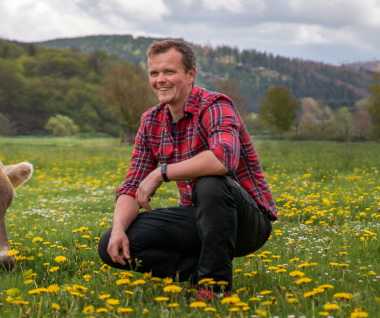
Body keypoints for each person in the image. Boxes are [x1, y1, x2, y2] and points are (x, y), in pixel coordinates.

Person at [97, 40, 277, 301]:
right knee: (111, 245)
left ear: (191, 74)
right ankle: (201, 272)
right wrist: (117, 230)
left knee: (211, 183)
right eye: (154, 73)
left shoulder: (216, 106)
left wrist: (161, 173)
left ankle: (214, 288)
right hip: (199, 218)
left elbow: (222, 160)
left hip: (246, 223)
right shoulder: (151, 121)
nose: (160, 80)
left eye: (169, 72)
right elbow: (132, 185)